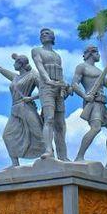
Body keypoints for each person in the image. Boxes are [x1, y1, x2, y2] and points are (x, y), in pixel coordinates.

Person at [0, 54, 45, 167]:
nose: (13, 64)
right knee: (7, 135)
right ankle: (15, 163)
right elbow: (1, 70)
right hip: (15, 109)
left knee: (38, 133)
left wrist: (31, 98)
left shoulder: (33, 76)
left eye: (15, 62)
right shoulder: (15, 77)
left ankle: (49, 156)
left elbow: (44, 91)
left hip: (27, 107)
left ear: (21, 64)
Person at [72, 45, 107, 169]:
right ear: (91, 53)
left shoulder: (99, 71)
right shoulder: (82, 67)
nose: (98, 55)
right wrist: (84, 95)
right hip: (92, 103)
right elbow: (74, 84)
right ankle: (79, 156)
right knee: (96, 128)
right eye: (96, 53)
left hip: (101, 103)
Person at [31, 28, 70, 161]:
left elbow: (60, 73)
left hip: (58, 88)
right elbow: (39, 66)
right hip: (47, 87)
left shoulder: (57, 56)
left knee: (60, 123)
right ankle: (48, 150)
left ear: (53, 37)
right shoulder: (37, 50)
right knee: (49, 119)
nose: (43, 35)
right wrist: (48, 80)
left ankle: (63, 156)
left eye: (46, 33)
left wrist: (64, 87)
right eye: (41, 34)